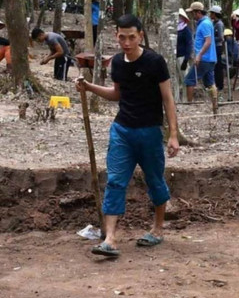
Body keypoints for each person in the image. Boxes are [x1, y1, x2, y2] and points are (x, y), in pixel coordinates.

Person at [76, 14, 180, 258]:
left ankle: (157, 228)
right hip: (122, 130)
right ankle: (110, 239)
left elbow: (168, 99)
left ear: (140, 36)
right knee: (115, 181)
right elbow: (117, 94)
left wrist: (173, 134)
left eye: (131, 37)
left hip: (150, 132)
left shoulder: (155, 62)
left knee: (154, 180)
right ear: (116, 36)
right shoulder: (117, 63)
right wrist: (89, 87)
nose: (126, 42)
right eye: (122, 37)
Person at [184, 1, 217, 108]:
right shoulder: (206, 22)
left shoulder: (205, 24)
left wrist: (199, 55)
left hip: (204, 58)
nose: (192, 15)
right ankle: (215, 105)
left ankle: (189, 105)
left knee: (189, 80)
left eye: (192, 13)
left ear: (198, 12)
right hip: (209, 58)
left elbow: (208, 41)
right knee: (210, 83)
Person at [209, 5, 226, 91]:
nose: (210, 15)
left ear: (214, 14)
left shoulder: (219, 24)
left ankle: (220, 84)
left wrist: (211, 38)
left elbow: (220, 37)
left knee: (218, 66)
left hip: (218, 47)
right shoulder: (214, 23)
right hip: (214, 46)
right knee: (215, 66)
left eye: (211, 13)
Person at [175, 8, 192, 74]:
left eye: (180, 16)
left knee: (184, 76)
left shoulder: (186, 30)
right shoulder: (173, 30)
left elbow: (189, 45)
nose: (178, 18)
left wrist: (186, 60)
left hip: (182, 57)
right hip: (174, 56)